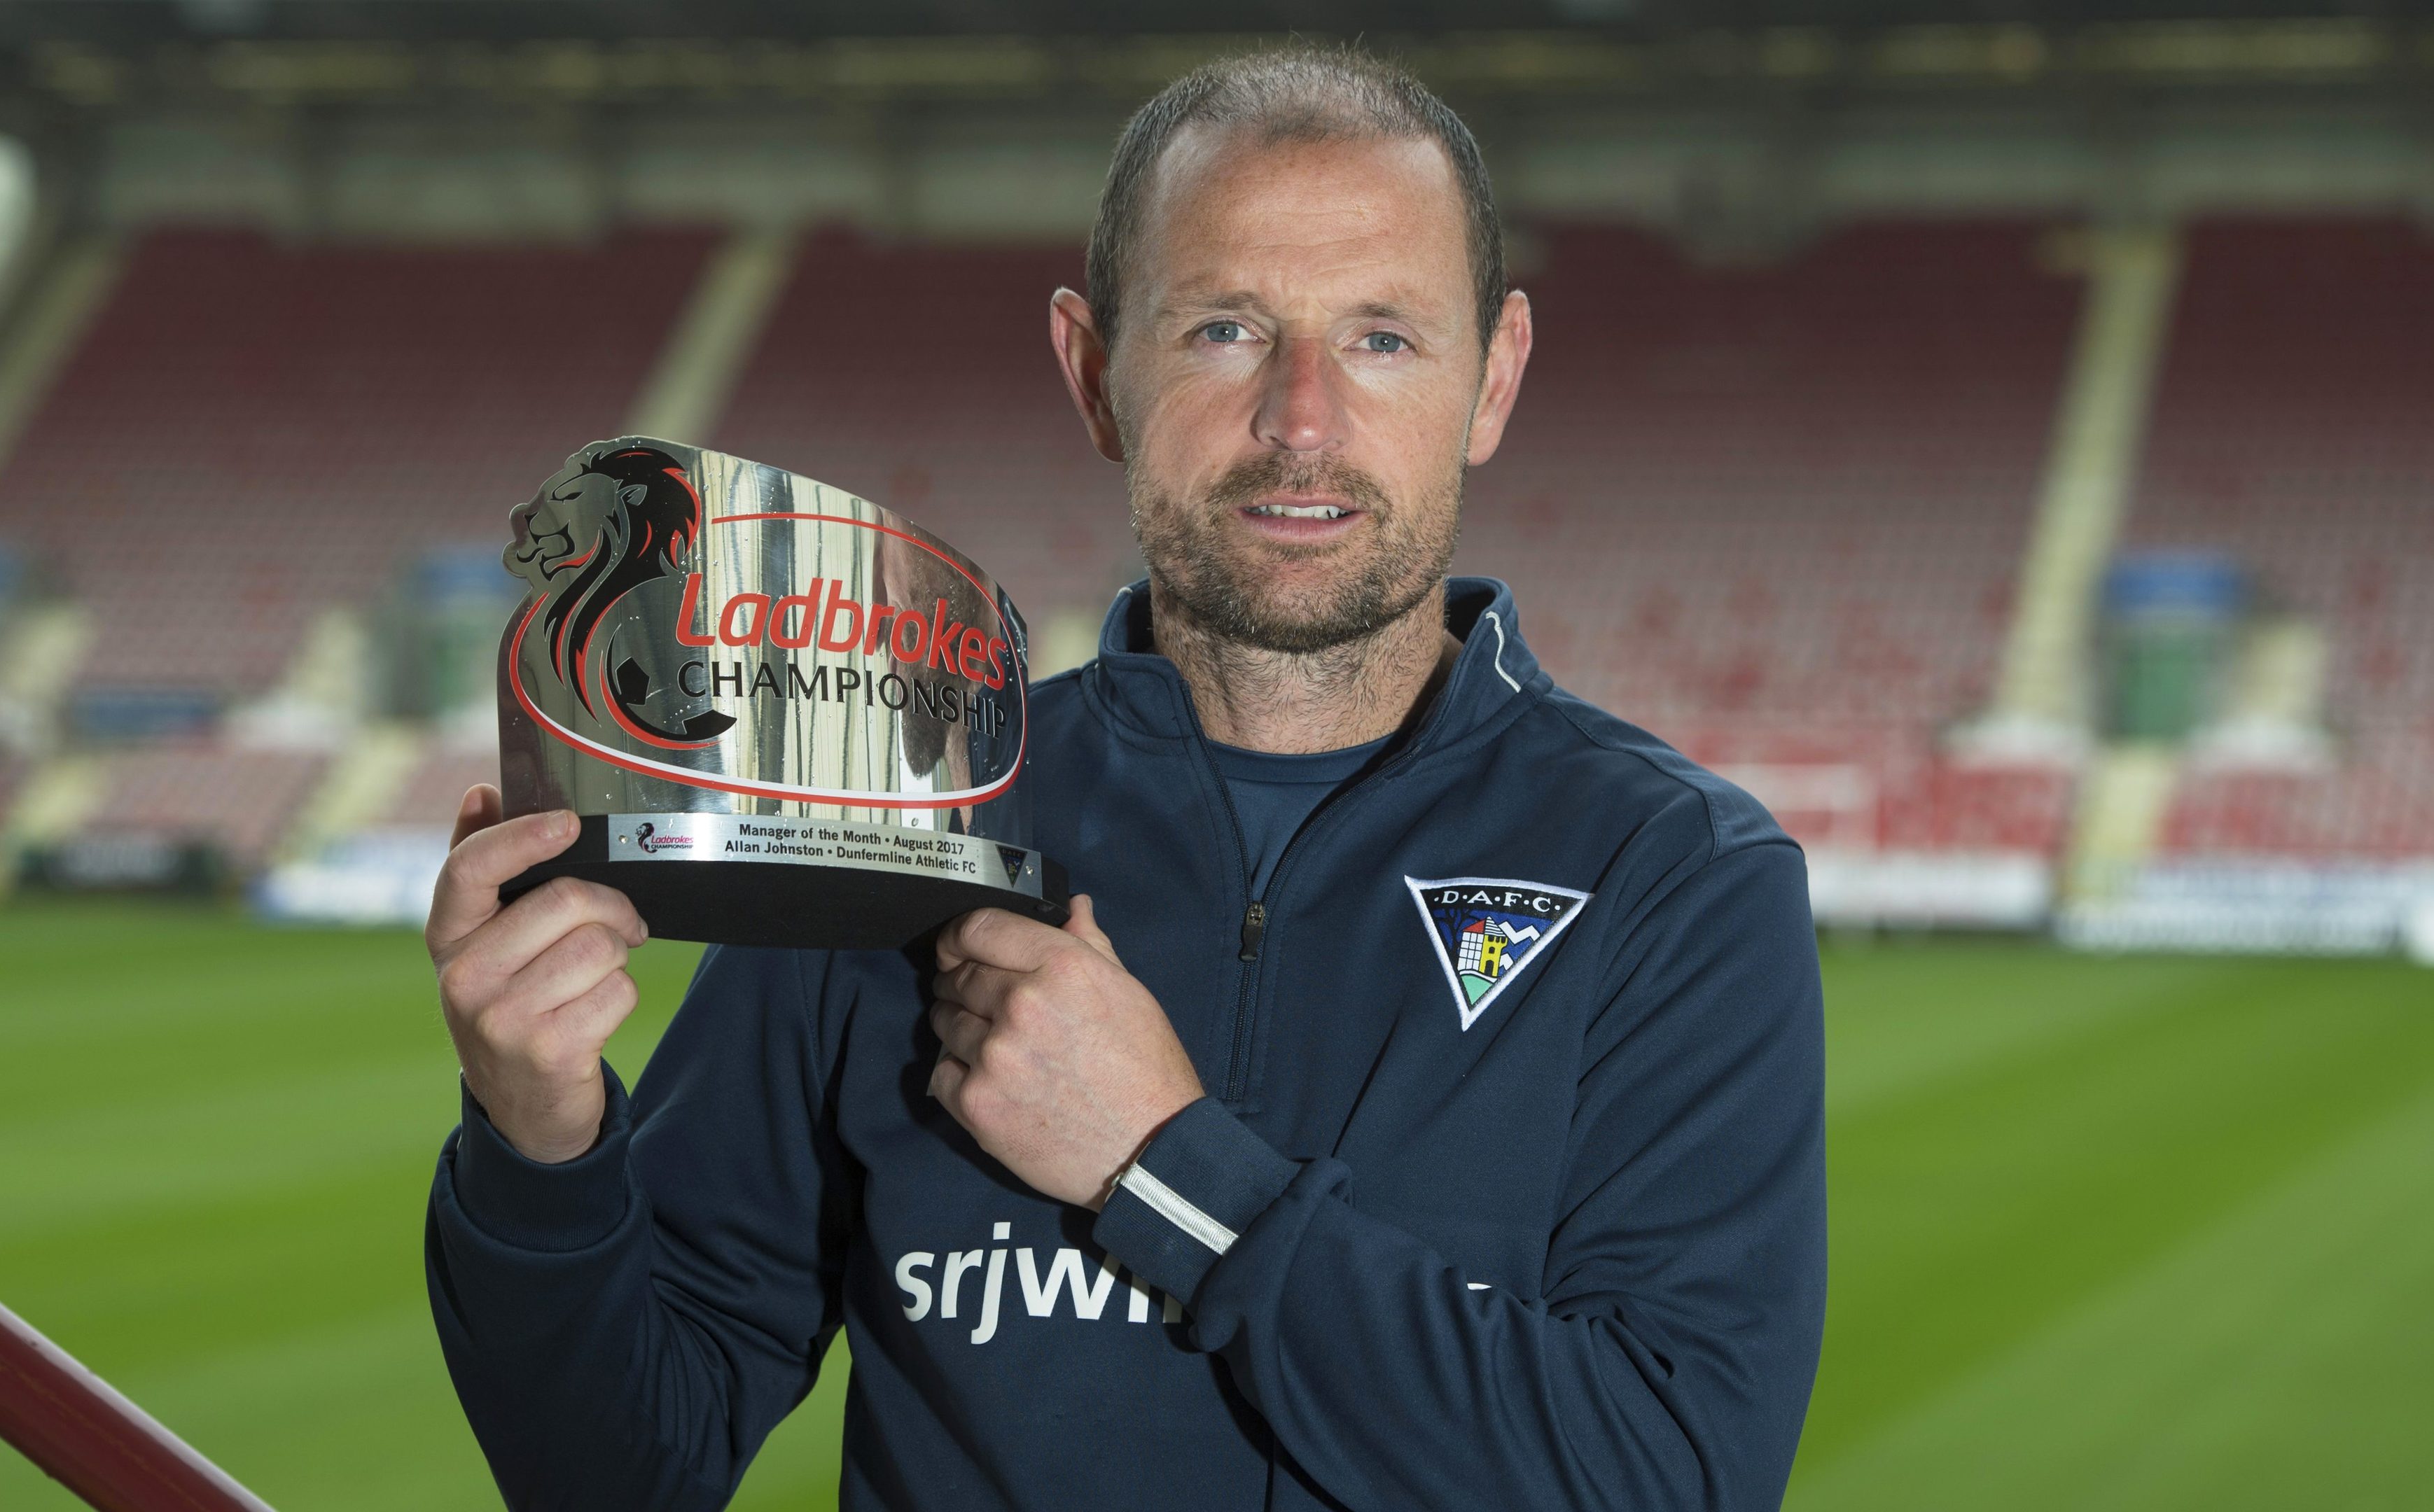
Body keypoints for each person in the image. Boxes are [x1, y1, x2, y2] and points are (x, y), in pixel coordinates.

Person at [424, 45, 1825, 1512]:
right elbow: (617, 1471)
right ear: (1094, 375)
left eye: (1383, 340)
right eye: (1224, 330)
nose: (1300, 419)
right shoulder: (891, 823)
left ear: (1496, 377)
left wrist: (1164, 1166)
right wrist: (539, 1142)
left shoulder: (1671, 875)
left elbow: (1671, 1478)